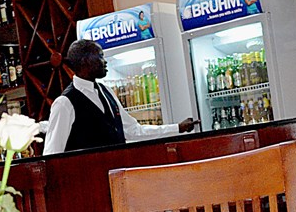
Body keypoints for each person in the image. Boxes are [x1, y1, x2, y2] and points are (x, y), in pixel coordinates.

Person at [43, 40, 197, 155]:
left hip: (119, 177)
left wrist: (177, 128)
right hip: (88, 186)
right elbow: (52, 154)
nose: (105, 61)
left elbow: (133, 131)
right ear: (85, 62)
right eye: (100, 56)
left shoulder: (106, 91)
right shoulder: (65, 103)